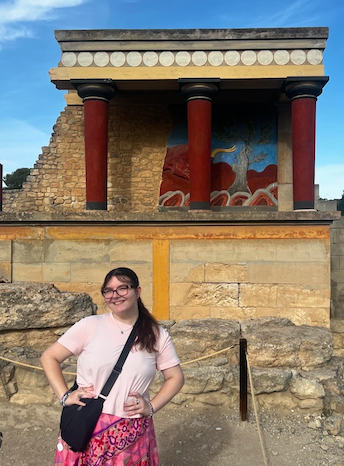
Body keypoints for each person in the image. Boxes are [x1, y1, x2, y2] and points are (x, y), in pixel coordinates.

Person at [41, 267, 184, 466]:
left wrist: (151, 407)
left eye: (122, 288)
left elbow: (175, 377)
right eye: (108, 290)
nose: (115, 295)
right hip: (88, 425)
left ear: (138, 291)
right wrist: (65, 396)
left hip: (132, 429)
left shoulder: (156, 335)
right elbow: (49, 357)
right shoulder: (90, 325)